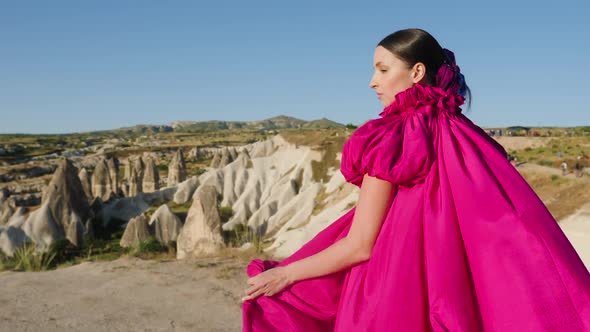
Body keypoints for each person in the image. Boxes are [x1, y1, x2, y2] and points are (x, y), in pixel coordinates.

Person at [242, 28, 590, 331]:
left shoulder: (393, 138)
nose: (372, 81)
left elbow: (360, 245)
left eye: (382, 69)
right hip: (457, 290)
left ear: (417, 72)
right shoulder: (468, 135)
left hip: (395, 292)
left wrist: (285, 275)